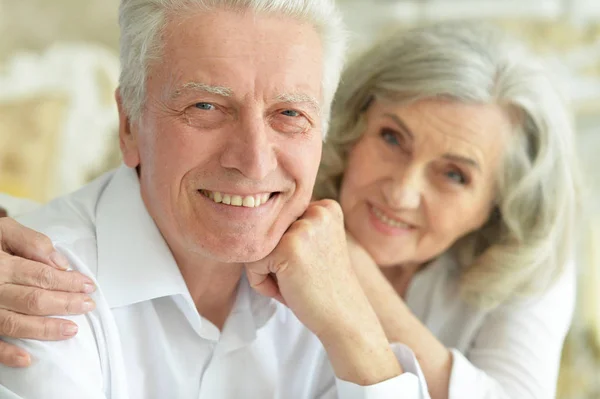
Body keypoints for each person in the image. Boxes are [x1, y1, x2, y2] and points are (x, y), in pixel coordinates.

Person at [0, 20, 578, 399]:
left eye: (455, 175)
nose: (254, 161)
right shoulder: (44, 286)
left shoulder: (321, 292)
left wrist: (356, 314)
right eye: (206, 105)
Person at [312, 23, 579, 399]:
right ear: (352, 125)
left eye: (454, 175)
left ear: (499, 206)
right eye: (392, 138)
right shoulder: (276, 202)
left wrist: (354, 274)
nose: (402, 192)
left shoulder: (527, 254)